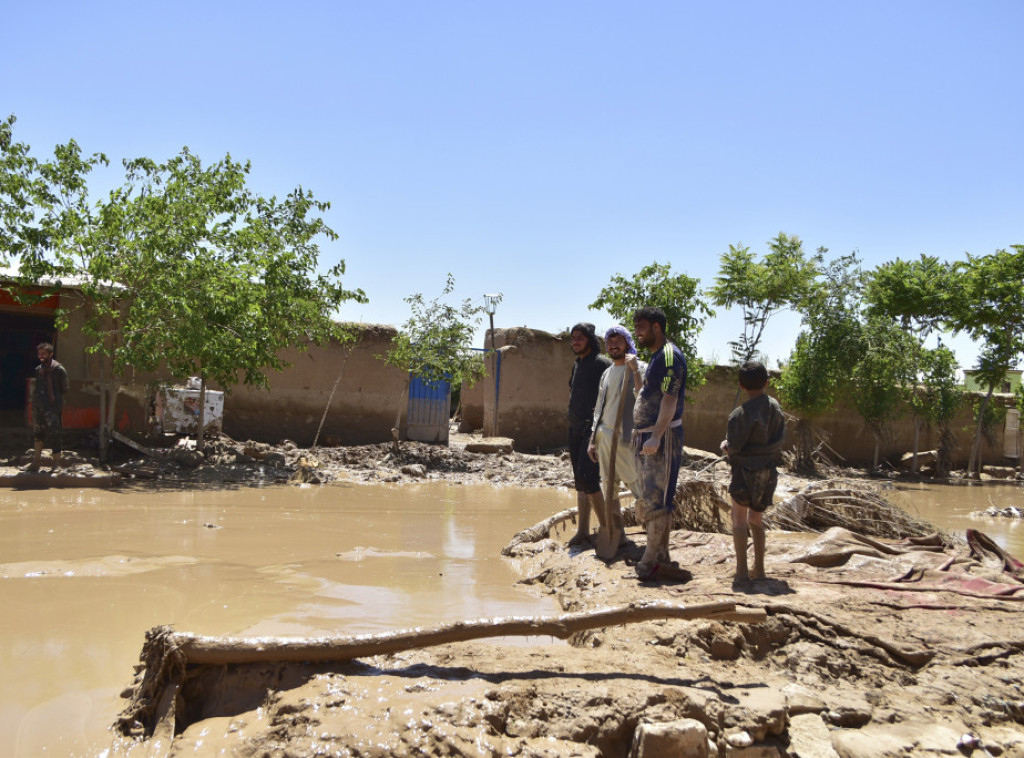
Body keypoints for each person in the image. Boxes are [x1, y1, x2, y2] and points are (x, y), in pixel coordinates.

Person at [625, 307, 687, 580]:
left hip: (661, 438)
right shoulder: (655, 358)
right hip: (648, 437)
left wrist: (657, 436)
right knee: (651, 496)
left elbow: (669, 400)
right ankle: (660, 554)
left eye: (641, 327)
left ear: (656, 327)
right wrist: (635, 371)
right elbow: (644, 394)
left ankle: (649, 560)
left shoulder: (671, 358)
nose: (637, 332)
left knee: (656, 497)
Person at [720, 360, 786, 584]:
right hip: (768, 471)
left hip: (743, 472)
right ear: (767, 382)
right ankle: (759, 569)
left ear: (741, 385)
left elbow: (734, 446)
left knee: (738, 518)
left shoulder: (739, 414)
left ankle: (741, 573)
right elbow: (779, 439)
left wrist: (725, 446)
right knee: (756, 517)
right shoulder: (775, 408)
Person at [587, 326, 646, 549]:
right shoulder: (607, 373)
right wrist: (593, 438)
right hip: (604, 438)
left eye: (618, 341)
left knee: (639, 487)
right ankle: (616, 534)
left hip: (628, 440)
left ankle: (653, 540)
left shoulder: (640, 368)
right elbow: (599, 409)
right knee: (609, 489)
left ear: (628, 343)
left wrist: (635, 371)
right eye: (609, 342)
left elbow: (644, 399)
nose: (613, 345)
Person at [566, 322, 612, 546]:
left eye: (580, 338)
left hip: (593, 431)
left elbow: (612, 397)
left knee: (589, 479)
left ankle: (607, 530)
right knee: (579, 482)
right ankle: (583, 530)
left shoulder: (602, 364)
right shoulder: (577, 364)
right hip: (574, 429)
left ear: (590, 340)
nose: (575, 342)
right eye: (573, 338)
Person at [27, 342, 69, 472]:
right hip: (39, 406)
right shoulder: (38, 370)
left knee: (55, 434)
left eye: (44, 353)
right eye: (39, 353)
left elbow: (64, 388)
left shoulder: (59, 370)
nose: (41, 356)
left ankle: (56, 463)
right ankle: (36, 462)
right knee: (38, 433)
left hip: (53, 408)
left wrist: (53, 401)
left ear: (51, 354)